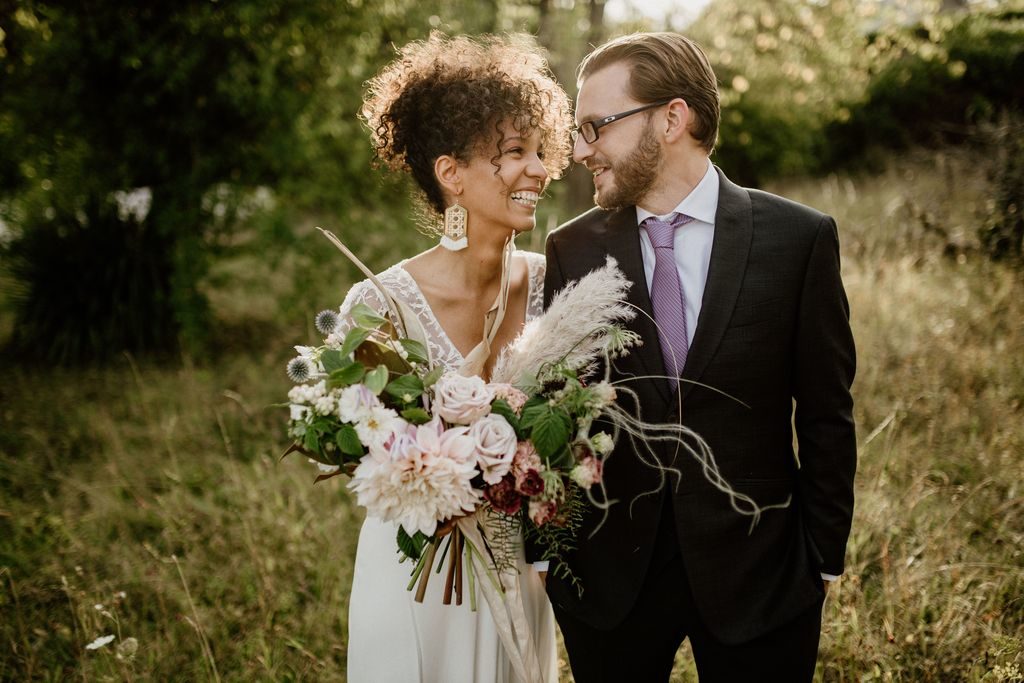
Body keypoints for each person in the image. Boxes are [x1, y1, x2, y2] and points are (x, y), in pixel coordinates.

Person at [539, 32, 857, 681]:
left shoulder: (799, 239)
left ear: (672, 118)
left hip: (762, 578)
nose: (579, 151)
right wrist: (548, 550)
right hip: (611, 587)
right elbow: (552, 412)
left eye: (595, 126)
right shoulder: (571, 249)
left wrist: (822, 557)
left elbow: (827, 412)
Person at [339, 33, 573, 682]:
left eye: (540, 151)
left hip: (518, 570)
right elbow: (359, 447)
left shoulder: (555, 284)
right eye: (514, 153)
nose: (539, 170)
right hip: (417, 576)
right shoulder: (380, 301)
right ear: (452, 174)